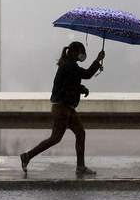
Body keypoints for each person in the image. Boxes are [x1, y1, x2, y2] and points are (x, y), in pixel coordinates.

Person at [19, 41, 105, 176]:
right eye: (81, 52)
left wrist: (81, 87)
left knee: (79, 134)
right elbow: (83, 77)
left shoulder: (69, 65)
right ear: (73, 52)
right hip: (62, 108)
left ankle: (80, 166)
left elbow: (73, 82)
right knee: (56, 138)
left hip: (67, 108)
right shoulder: (69, 66)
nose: (83, 55)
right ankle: (28, 156)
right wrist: (98, 60)